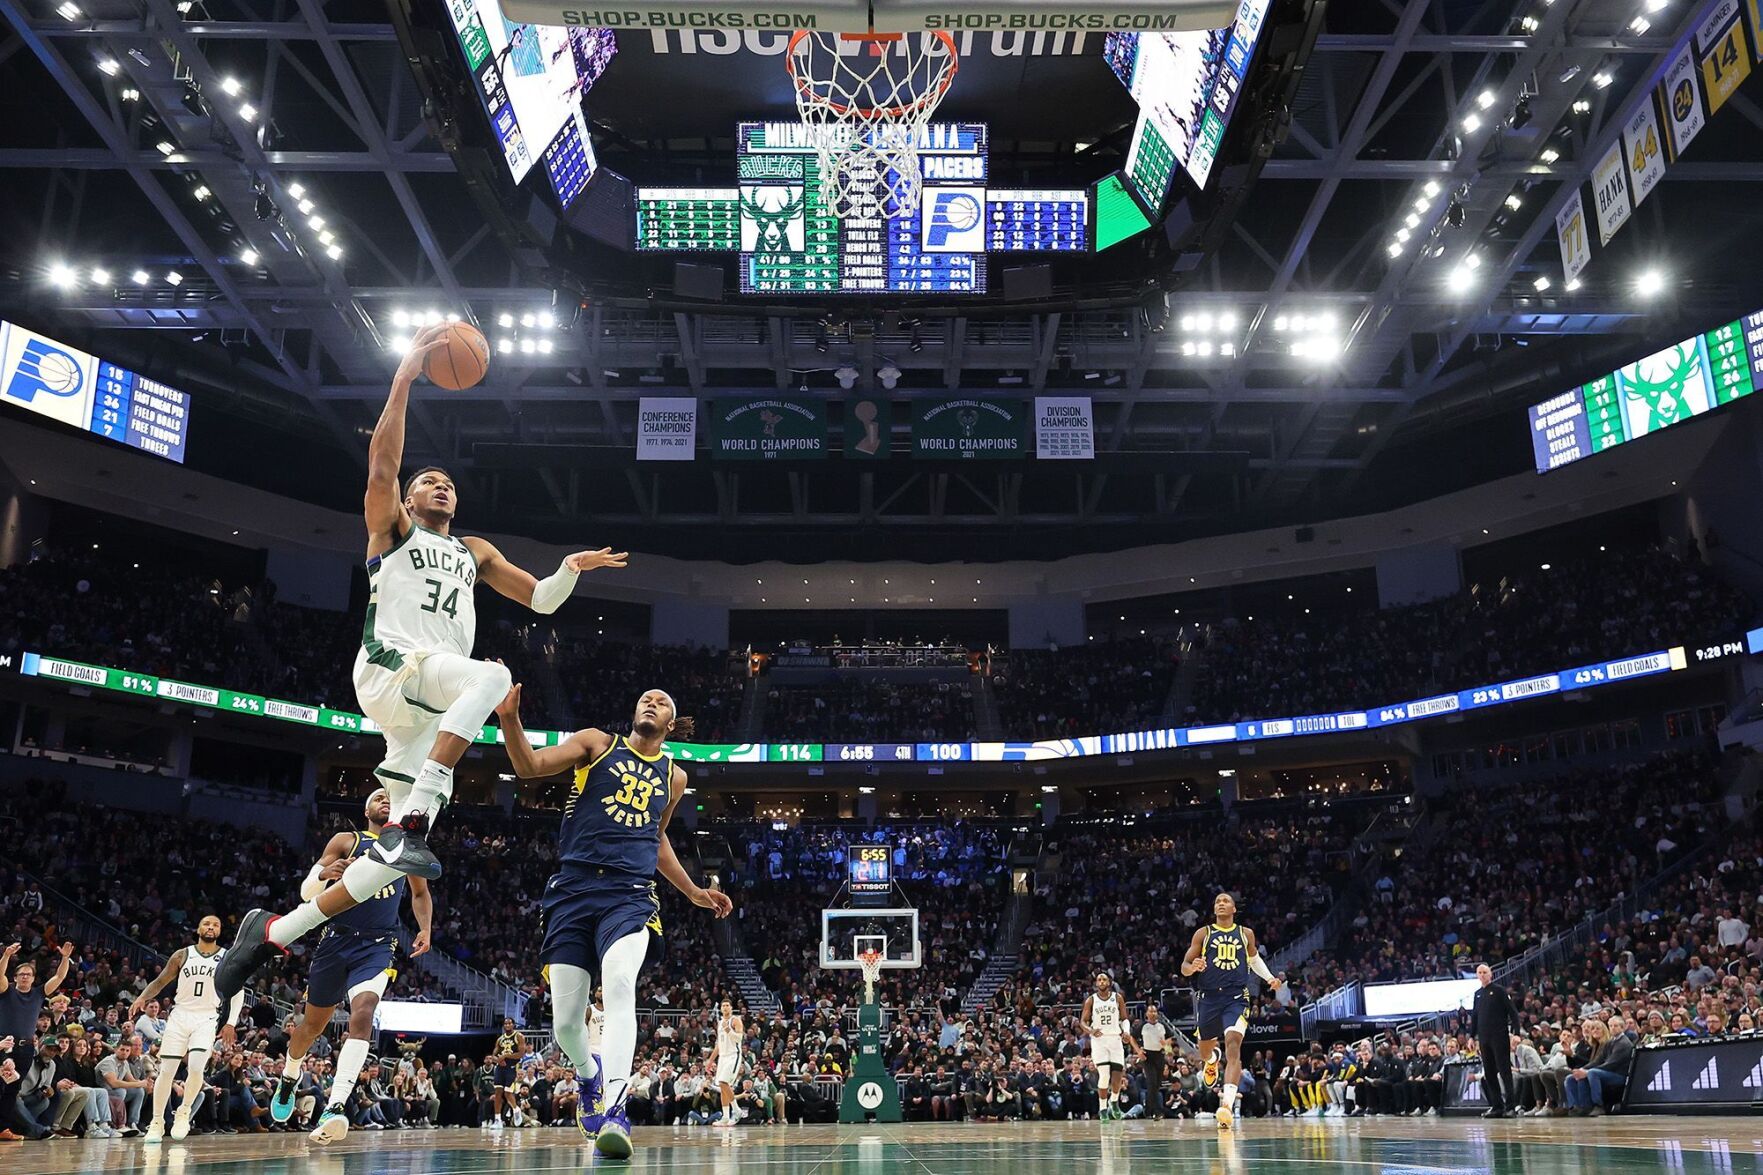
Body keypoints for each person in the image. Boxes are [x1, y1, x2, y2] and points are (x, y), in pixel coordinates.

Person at [212, 325, 628, 1012]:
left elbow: (543, 598)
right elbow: (381, 467)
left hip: (429, 706)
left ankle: (272, 932)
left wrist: (570, 568)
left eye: (449, 483)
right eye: (428, 481)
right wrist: (404, 378)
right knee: (493, 678)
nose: (441, 486)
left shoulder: (474, 552)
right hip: (392, 667)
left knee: (386, 861)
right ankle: (416, 815)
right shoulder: (392, 531)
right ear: (407, 500)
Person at [497, 682, 734, 1159]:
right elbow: (529, 767)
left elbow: (656, 839)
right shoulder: (596, 744)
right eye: (645, 696)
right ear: (634, 710)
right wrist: (509, 718)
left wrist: (693, 892)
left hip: (630, 893)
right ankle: (590, 1075)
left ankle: (617, 1109)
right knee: (566, 1024)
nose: (651, 701)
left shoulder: (675, 777)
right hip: (573, 890)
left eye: (662, 701)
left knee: (620, 981)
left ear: (671, 724)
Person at [268, 788, 433, 1144]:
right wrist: (326, 873)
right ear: (365, 808)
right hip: (335, 940)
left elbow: (420, 893)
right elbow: (306, 892)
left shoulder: (404, 845)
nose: (385, 800)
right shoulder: (346, 839)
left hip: (377, 944)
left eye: (390, 797)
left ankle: (336, 1105)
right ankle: (290, 1074)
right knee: (311, 1027)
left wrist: (425, 928)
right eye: (377, 796)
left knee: (364, 1012)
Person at [127, 914, 242, 1141]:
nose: (211, 927)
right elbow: (160, 981)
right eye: (206, 923)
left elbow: (238, 990)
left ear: (220, 931)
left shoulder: (226, 957)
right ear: (198, 928)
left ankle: (184, 1111)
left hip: (207, 1016)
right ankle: (157, 1121)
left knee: (197, 1066)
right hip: (180, 1015)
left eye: (215, 925)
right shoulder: (182, 954)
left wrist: (231, 1022)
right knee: (167, 1070)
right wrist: (142, 997)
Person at [1181, 892, 1283, 1130]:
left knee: (1234, 1044)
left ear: (1234, 909)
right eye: (1217, 901)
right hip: (1208, 997)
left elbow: (1254, 959)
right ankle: (1212, 1060)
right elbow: (1184, 966)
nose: (1221, 904)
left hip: (1236, 996)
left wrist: (1270, 979)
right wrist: (1192, 967)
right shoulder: (1203, 934)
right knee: (1205, 1050)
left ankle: (1226, 1105)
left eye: (1226, 901)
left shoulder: (1245, 933)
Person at [0, 941, 76, 1075]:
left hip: (27, 1048)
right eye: (21, 974)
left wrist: (65, 958)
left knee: (14, 1089)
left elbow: (59, 977)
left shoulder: (39, 993)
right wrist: (6, 956)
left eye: (28, 974)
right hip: (5, 1044)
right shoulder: (6, 990)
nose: (25, 976)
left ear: (33, 978)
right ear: (15, 978)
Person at [1080, 971, 1140, 1121]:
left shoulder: (1117, 998)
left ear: (1109, 982)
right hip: (1099, 1041)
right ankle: (1102, 1109)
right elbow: (1082, 1022)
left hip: (1115, 1039)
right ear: (1096, 983)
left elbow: (1125, 1019)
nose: (1101, 981)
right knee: (1105, 1075)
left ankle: (1114, 1102)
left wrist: (1126, 1031)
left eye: (1104, 979)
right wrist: (1091, 1030)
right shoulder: (1091, 1000)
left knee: (1117, 1077)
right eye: (1099, 979)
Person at [1470, 962, 1520, 1118]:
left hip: (1499, 1036)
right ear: (1477, 975)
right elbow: (1475, 1017)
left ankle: (1511, 1106)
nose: (1483, 975)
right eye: (1480, 972)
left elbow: (1513, 1012)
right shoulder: (1477, 994)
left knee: (1504, 1071)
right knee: (1490, 1073)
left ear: (1491, 974)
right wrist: (1472, 1036)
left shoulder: (1499, 991)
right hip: (1484, 1039)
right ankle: (1497, 1105)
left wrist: (1516, 1033)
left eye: (1485, 972)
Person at [709, 999, 744, 1128]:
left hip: (733, 1055)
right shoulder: (720, 1023)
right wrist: (710, 1061)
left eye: (727, 1005)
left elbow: (739, 1038)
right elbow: (719, 1045)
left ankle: (737, 1110)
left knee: (724, 1083)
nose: (724, 1007)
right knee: (723, 1087)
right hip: (723, 1057)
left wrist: (729, 1030)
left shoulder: (735, 1020)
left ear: (731, 1007)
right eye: (723, 1005)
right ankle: (725, 1117)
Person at [491, 1018, 527, 1127]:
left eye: (509, 1023)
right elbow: (493, 1055)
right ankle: (497, 1120)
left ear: (513, 1025)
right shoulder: (500, 1039)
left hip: (512, 1067)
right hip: (500, 1068)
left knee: (507, 1093)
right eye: (505, 1023)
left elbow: (521, 1054)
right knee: (498, 1093)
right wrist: (498, 1060)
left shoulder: (519, 1036)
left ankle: (516, 1110)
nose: (507, 1025)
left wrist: (505, 1056)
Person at [1138, 1004, 1169, 1120]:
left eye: (1155, 1011)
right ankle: (1155, 1111)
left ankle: (1149, 1110)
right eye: (1150, 1011)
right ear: (1146, 1013)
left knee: (1156, 1085)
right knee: (1151, 1083)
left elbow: (1170, 1038)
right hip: (1147, 1056)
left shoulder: (1162, 1025)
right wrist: (1138, 1051)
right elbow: (1132, 1038)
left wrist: (1166, 1043)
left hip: (1160, 1055)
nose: (1153, 1014)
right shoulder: (1143, 1026)